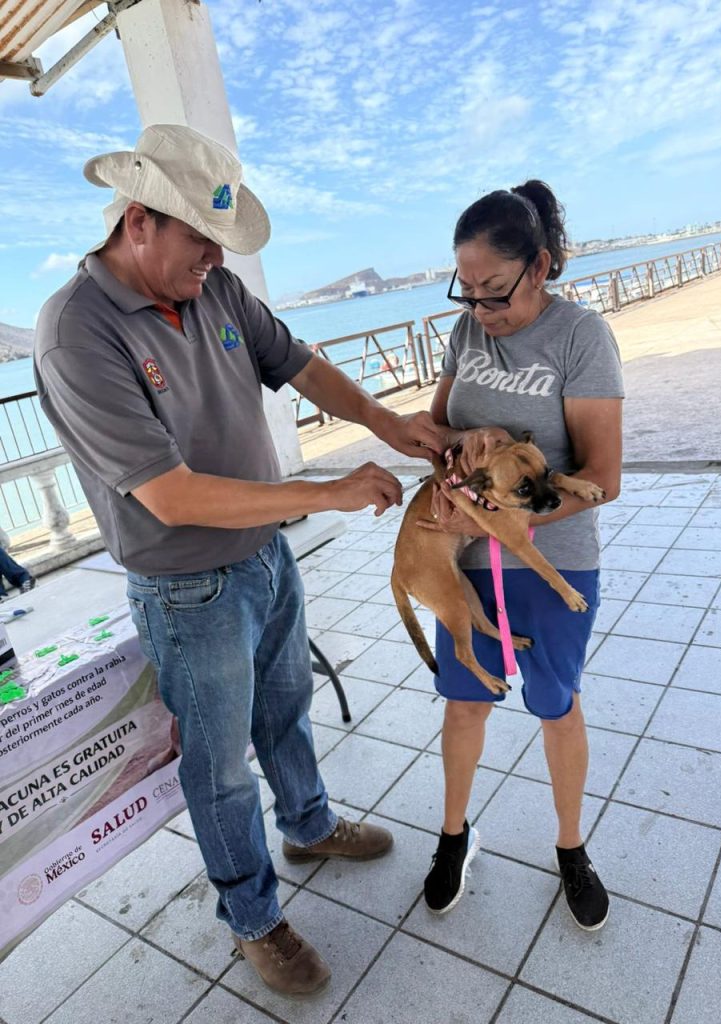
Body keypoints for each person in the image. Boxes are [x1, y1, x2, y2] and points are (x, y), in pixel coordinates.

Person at [33, 124, 449, 998]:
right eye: (200, 236)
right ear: (138, 222)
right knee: (220, 767)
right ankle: (253, 917)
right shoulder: (76, 332)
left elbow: (299, 364)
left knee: (288, 709)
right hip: (187, 588)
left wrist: (386, 423)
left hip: (265, 555)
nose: (217, 257)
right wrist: (326, 493)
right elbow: (171, 496)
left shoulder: (213, 287)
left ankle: (308, 825)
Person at [418, 181, 623, 930]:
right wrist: (457, 448)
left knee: (555, 703)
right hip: (465, 557)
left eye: (494, 292)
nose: (479, 310)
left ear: (538, 266)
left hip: (554, 559)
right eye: (465, 291)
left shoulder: (580, 337)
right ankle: (454, 835)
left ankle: (571, 847)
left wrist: (510, 515)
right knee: (465, 698)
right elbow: (435, 431)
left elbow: (602, 477)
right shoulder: (466, 333)